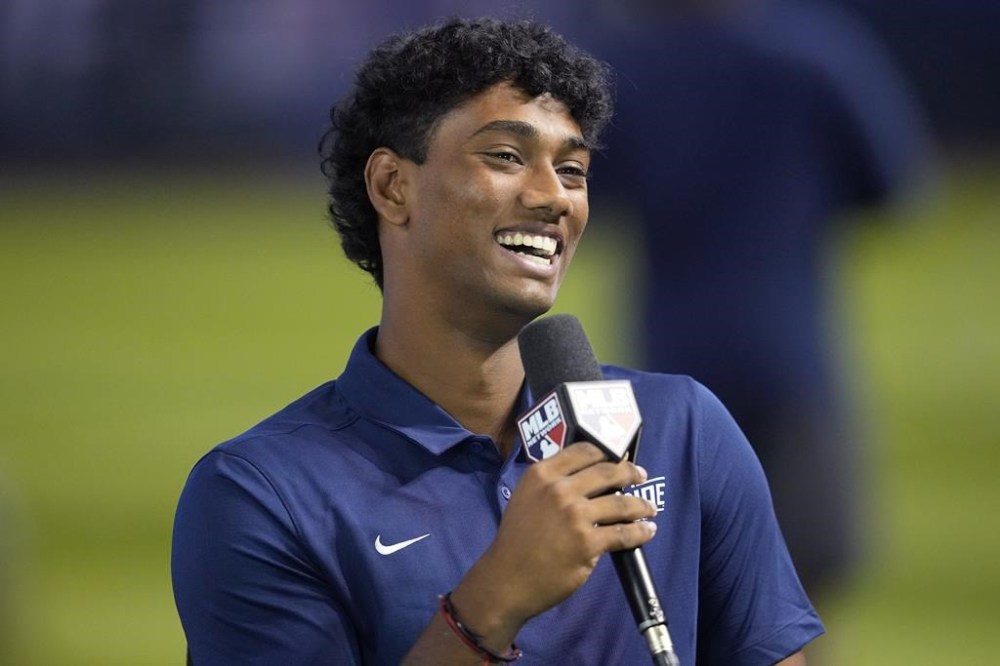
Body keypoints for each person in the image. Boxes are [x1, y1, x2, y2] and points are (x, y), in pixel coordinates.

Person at [171, 17, 823, 665]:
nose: (552, 197)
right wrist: (493, 602)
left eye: (572, 169)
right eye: (507, 157)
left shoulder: (684, 432)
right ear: (392, 187)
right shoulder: (262, 494)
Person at [583, 0, 929, 606]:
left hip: (671, 362)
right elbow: (895, 186)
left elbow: (584, 190)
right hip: (788, 354)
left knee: (683, 582)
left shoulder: (626, 70)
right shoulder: (814, 53)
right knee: (799, 590)